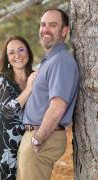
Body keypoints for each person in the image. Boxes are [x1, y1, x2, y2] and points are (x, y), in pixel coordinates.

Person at [17, 8, 79, 180]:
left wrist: (37, 139)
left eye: (53, 25)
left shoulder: (60, 60)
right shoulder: (49, 61)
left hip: (43, 137)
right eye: (43, 24)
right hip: (34, 136)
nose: (45, 29)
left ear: (64, 31)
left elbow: (58, 105)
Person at [0, 36, 37, 180]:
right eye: (12, 52)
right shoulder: (1, 79)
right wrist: (29, 89)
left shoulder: (36, 77)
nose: (17, 55)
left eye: (21, 49)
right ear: (7, 58)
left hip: (25, 145)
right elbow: (7, 110)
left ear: (28, 52)